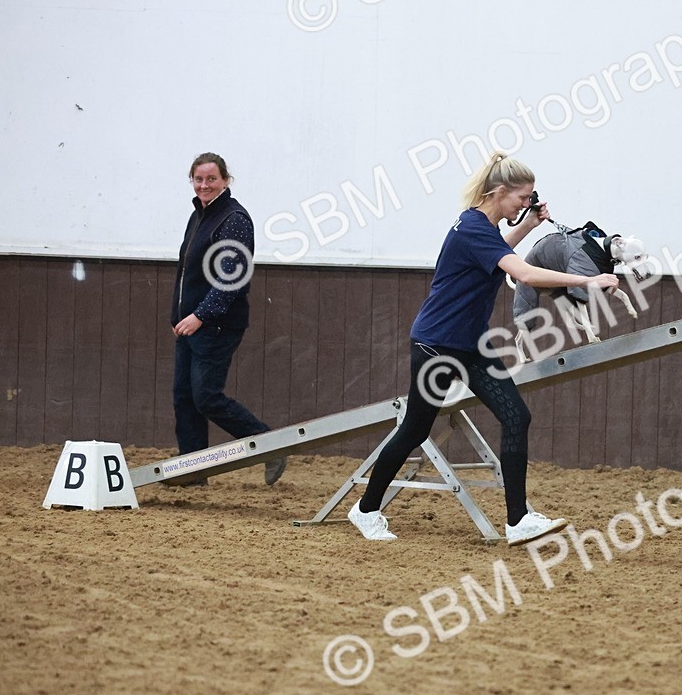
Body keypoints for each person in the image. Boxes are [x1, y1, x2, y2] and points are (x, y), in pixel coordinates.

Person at [348, 152, 619, 544]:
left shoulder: (481, 227)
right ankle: (366, 509)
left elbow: (498, 252)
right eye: (522, 198)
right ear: (499, 192)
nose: (525, 204)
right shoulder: (474, 228)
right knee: (415, 430)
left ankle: (518, 521)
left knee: (516, 417)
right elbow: (523, 273)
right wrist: (585, 281)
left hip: (471, 343)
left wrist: (528, 225)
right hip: (436, 344)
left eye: (529, 199)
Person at [169, 153, 286, 486]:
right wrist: (179, 316)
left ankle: (268, 444)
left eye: (211, 179)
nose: (204, 185)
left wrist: (199, 316)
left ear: (225, 180)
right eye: (199, 179)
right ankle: (192, 471)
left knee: (205, 397)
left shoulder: (233, 219)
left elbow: (231, 280)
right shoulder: (199, 216)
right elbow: (188, 272)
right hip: (190, 324)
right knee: (184, 397)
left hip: (216, 324)